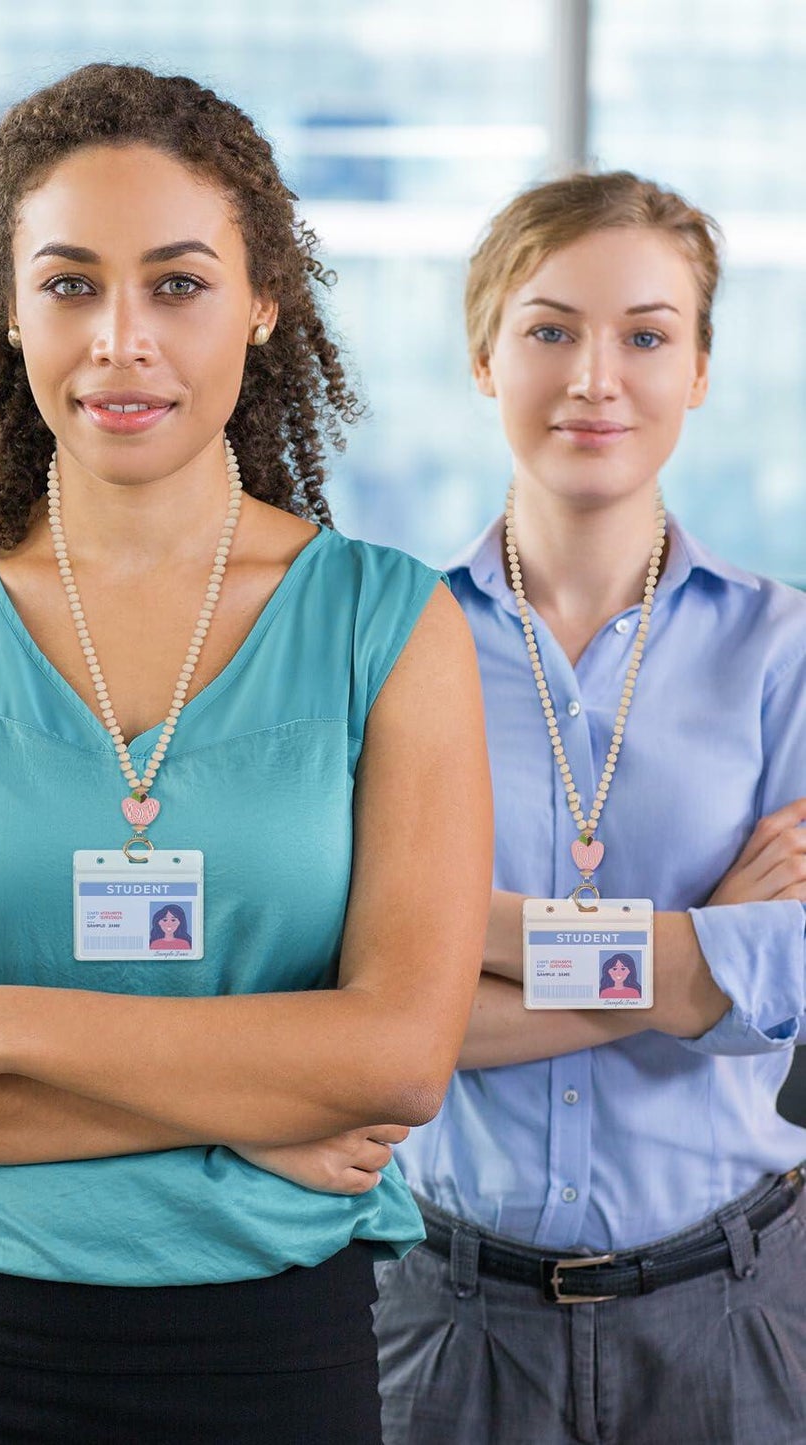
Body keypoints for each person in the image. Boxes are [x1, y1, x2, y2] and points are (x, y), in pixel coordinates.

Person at [0, 63, 491, 1444]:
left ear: (263, 302)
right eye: (72, 283)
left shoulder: (392, 624)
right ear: (11, 307)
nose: (121, 340)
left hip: (264, 1347)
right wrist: (243, 1109)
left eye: (178, 284)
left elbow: (392, 1057)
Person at [374, 171, 806, 1445]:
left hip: (733, 1309)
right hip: (445, 1316)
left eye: (645, 334)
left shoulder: (782, 650)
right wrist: (687, 956)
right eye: (549, 328)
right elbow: (369, 1003)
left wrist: (474, 926)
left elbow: (781, 981)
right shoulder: (393, 644)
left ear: (700, 366)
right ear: (481, 355)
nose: (593, 376)